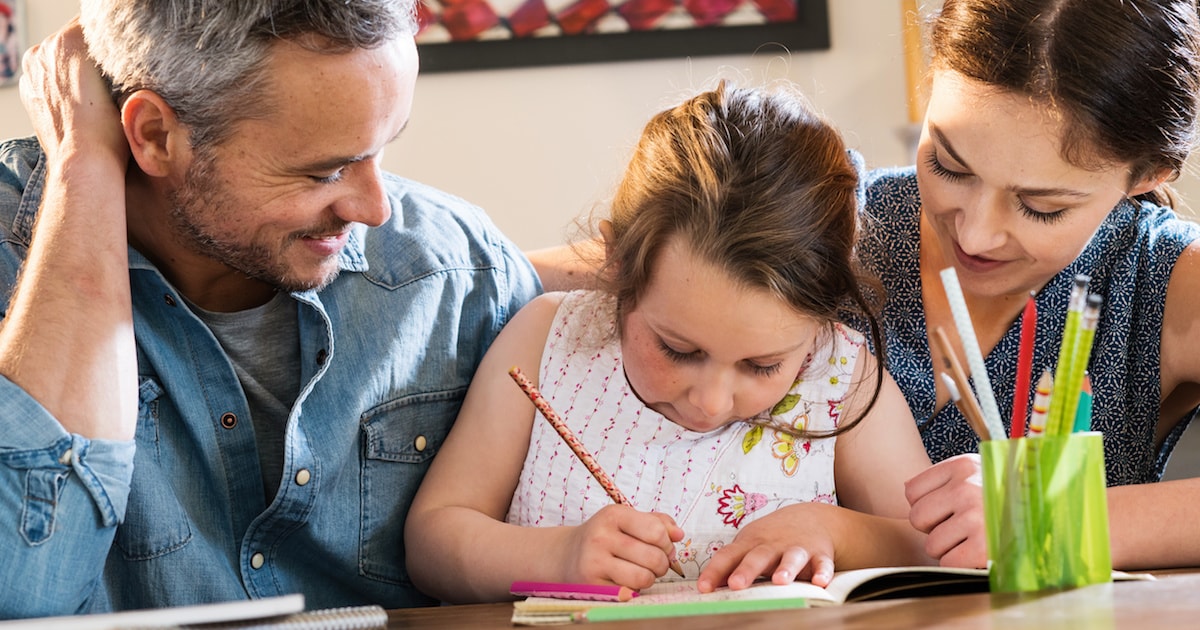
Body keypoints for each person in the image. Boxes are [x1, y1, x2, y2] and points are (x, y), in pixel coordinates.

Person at [530, 0, 1200, 573]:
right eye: (949, 164)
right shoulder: (826, 224)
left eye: (1040, 206)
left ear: (1147, 174)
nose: (975, 234)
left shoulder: (1164, 278)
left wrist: (1046, 516)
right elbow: (506, 272)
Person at [0, 0, 540, 619]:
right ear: (153, 135)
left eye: (381, 149)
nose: (374, 208)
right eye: (324, 172)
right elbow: (22, 591)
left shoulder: (465, 277)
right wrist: (84, 163)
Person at [405, 82, 935, 604]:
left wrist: (835, 531)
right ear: (618, 263)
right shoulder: (549, 341)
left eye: (762, 365)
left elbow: (935, 549)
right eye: (678, 350)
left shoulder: (842, 378)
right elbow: (431, 543)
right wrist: (555, 558)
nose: (711, 402)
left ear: (822, 316)